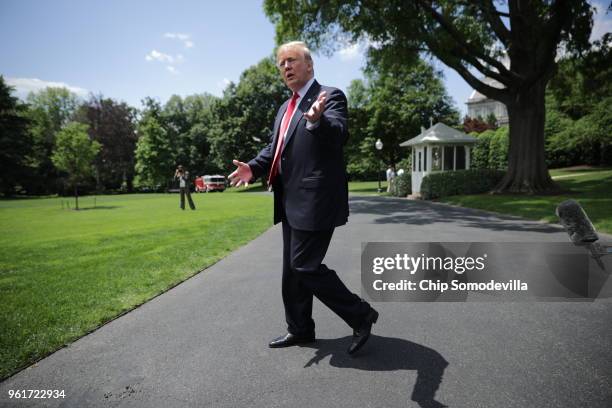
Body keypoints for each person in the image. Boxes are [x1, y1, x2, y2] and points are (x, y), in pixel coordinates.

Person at [229, 41, 378, 355]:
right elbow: (275, 149)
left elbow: (337, 135)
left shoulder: (330, 96)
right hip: (289, 201)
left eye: (291, 60)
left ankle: (360, 314)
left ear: (309, 65)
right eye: (281, 63)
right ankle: (300, 329)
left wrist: (315, 121)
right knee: (292, 271)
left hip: (317, 200)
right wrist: (253, 169)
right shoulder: (285, 108)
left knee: (304, 266)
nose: (286, 67)